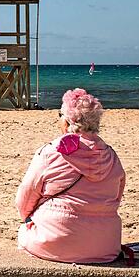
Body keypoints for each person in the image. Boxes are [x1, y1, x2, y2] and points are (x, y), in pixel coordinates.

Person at [15, 88, 126, 263]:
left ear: (67, 123)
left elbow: (26, 195)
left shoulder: (51, 152)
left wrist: (27, 219)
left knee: (24, 233)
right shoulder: (111, 156)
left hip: (55, 241)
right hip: (105, 246)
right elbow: (116, 198)